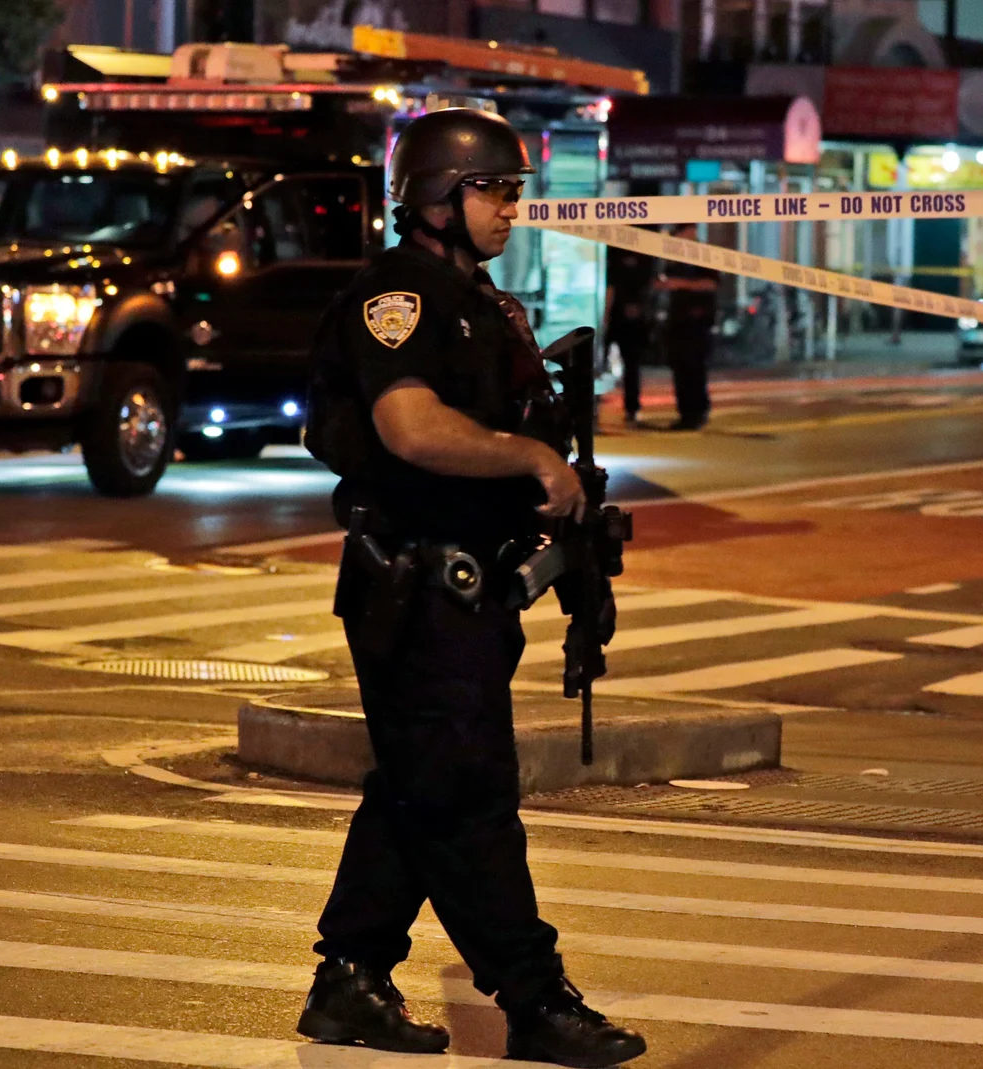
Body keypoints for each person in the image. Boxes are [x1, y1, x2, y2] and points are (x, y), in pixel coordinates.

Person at [298, 107, 647, 1068]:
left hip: (469, 592)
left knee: (417, 786)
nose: (510, 207)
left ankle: (350, 981)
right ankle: (534, 1000)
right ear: (437, 198)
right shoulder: (397, 298)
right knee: (468, 794)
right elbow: (410, 428)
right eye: (493, 189)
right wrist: (531, 455)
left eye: (514, 189)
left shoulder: (485, 303)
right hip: (414, 586)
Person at [654, 222, 719, 430]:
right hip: (678, 321)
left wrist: (679, 284)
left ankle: (697, 412)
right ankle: (686, 413)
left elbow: (711, 284)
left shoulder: (704, 255)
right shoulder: (675, 258)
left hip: (697, 322)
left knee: (695, 367)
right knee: (680, 367)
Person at [604, 239, 656, 427]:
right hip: (618, 315)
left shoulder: (638, 253)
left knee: (630, 364)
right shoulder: (615, 251)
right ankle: (629, 409)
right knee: (624, 364)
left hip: (626, 318)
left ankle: (631, 408)